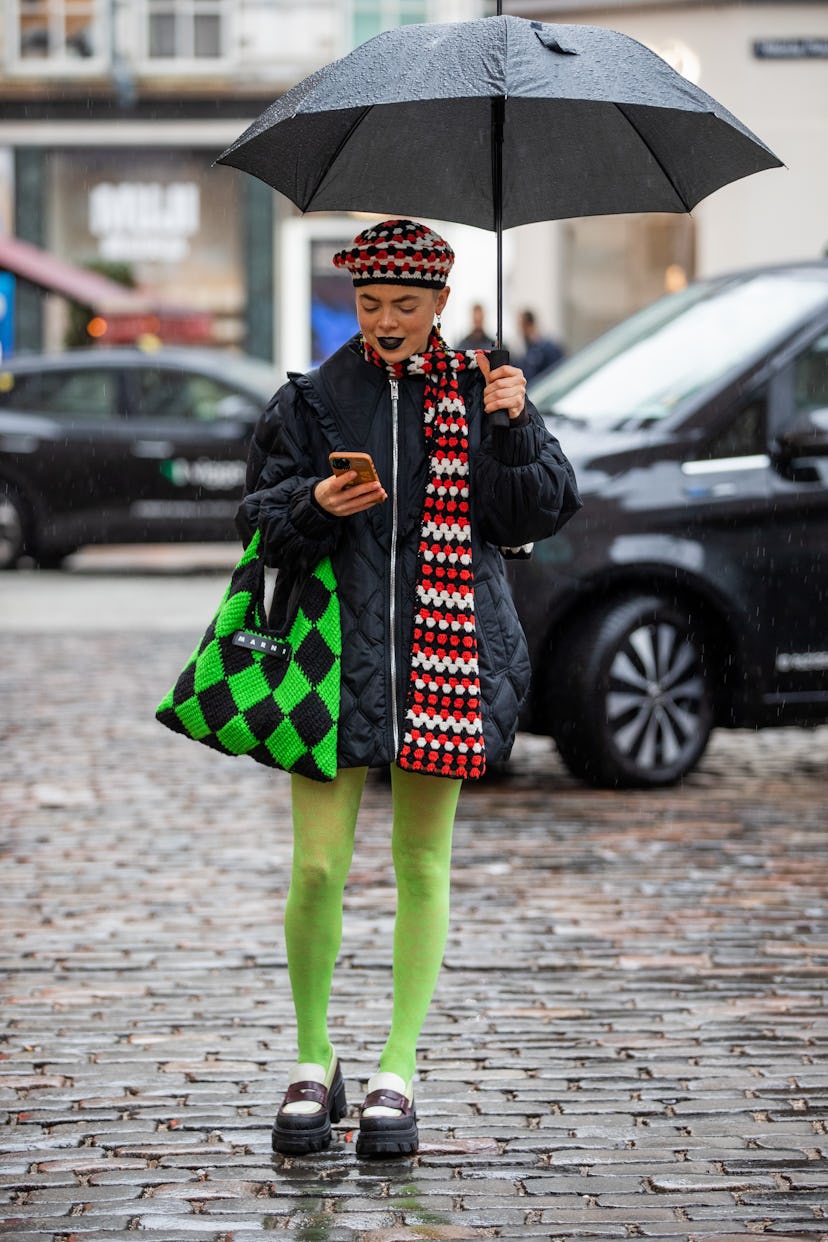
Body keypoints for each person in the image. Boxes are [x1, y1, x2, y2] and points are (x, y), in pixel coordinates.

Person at [236, 218, 581, 1160]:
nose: (385, 319)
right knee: (316, 868)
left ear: (440, 305)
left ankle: (398, 1064)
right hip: (330, 659)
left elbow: (537, 511)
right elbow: (256, 518)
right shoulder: (312, 400)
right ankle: (314, 1059)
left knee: (423, 865)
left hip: (446, 655)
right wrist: (312, 505)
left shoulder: (481, 392)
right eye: (370, 302)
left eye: (405, 304)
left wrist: (513, 424)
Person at [516, 308, 564, 380]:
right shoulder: (529, 350)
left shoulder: (548, 348)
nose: (519, 330)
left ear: (527, 325)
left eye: (521, 325)